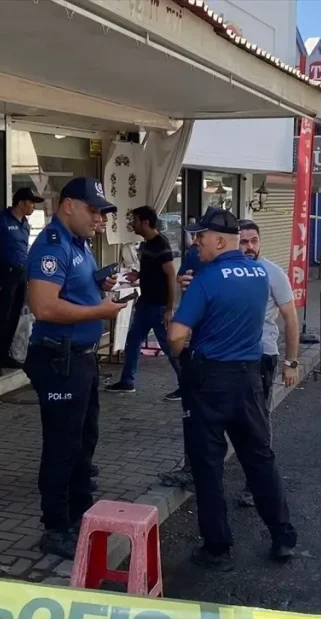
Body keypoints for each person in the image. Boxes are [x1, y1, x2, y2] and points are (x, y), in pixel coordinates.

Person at [166, 207, 298, 571]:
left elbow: (177, 334)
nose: (196, 242)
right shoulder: (260, 274)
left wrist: (181, 356)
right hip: (249, 378)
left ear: (220, 240)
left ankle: (218, 547)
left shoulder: (207, 279)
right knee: (259, 458)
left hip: (210, 381)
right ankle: (283, 536)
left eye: (201, 236)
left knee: (208, 467)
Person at [24, 177, 125, 559]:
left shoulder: (79, 245)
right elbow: (45, 307)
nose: (100, 219)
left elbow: (72, 289)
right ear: (68, 206)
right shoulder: (52, 245)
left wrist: (99, 284)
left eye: (102, 213)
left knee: (85, 439)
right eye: (94, 211)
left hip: (81, 357)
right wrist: (101, 309)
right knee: (62, 445)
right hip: (58, 358)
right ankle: (55, 527)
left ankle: (82, 512)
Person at [236, 219, 300, 507]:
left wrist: (292, 362)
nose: (249, 247)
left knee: (258, 421)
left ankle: (257, 483)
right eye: (243, 241)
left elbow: (290, 319)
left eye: (253, 241)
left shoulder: (273, 273)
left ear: (260, 242)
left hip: (262, 356)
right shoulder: (227, 273)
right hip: (229, 358)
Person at [105, 206, 181, 400]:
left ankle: (187, 383)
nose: (132, 224)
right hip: (145, 303)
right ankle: (127, 381)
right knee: (132, 342)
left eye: (135, 220)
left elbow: (171, 276)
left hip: (158, 306)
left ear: (146, 222)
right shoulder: (146, 244)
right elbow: (153, 271)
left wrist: (169, 308)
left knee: (168, 346)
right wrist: (138, 275)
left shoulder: (160, 244)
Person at [0, 187, 44, 375]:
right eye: (31, 202)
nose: (34, 207)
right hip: (4, 272)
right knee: (1, 316)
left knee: (14, 316)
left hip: (20, 273)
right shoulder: (1, 219)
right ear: (20, 203)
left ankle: (4, 354)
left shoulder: (25, 223)